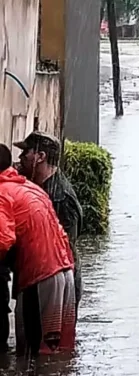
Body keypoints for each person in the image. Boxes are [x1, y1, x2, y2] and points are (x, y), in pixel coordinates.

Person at [0, 143, 76, 356]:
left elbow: (3, 240)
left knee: (32, 352)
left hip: (41, 277)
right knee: (58, 350)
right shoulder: (29, 186)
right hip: (65, 272)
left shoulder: (2, 193)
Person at [14, 132, 83, 315]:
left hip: (52, 283)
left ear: (40, 157)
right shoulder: (38, 187)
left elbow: (64, 247)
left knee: (48, 340)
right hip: (38, 278)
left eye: (25, 152)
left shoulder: (61, 198)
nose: (20, 158)